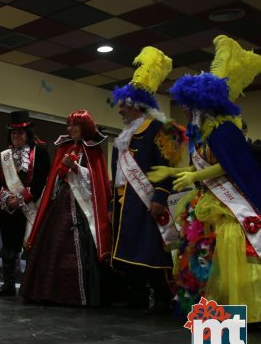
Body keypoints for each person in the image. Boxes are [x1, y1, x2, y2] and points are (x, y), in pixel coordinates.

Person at [156, 35, 261, 323]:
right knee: (200, 252)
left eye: (190, 105)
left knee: (226, 249)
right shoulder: (206, 133)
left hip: (227, 203)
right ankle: (207, 314)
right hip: (206, 198)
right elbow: (203, 167)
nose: (187, 110)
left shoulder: (225, 129)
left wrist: (196, 174)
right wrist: (175, 172)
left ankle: (229, 318)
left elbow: (230, 165)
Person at [109, 47, 187, 313]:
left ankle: (164, 296)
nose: (119, 108)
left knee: (152, 250)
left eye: (123, 103)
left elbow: (167, 165)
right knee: (129, 251)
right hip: (124, 200)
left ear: (135, 104)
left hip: (146, 201)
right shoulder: (124, 134)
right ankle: (137, 295)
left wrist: (160, 197)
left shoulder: (157, 129)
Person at [20, 110, 110, 305]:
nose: (70, 129)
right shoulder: (65, 146)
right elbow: (54, 178)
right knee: (53, 242)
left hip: (81, 205)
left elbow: (96, 181)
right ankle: (47, 292)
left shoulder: (93, 148)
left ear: (84, 127)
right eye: (68, 125)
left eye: (74, 125)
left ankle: (78, 294)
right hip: (61, 200)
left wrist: (76, 167)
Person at [0, 111, 50, 296]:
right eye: (14, 134)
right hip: (9, 210)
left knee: (32, 247)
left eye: (21, 133)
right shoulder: (4, 155)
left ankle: (33, 287)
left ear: (28, 134)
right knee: (8, 247)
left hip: (32, 207)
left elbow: (42, 179)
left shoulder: (40, 152)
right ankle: (8, 285)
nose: (17, 137)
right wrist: (7, 197)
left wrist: (22, 198)